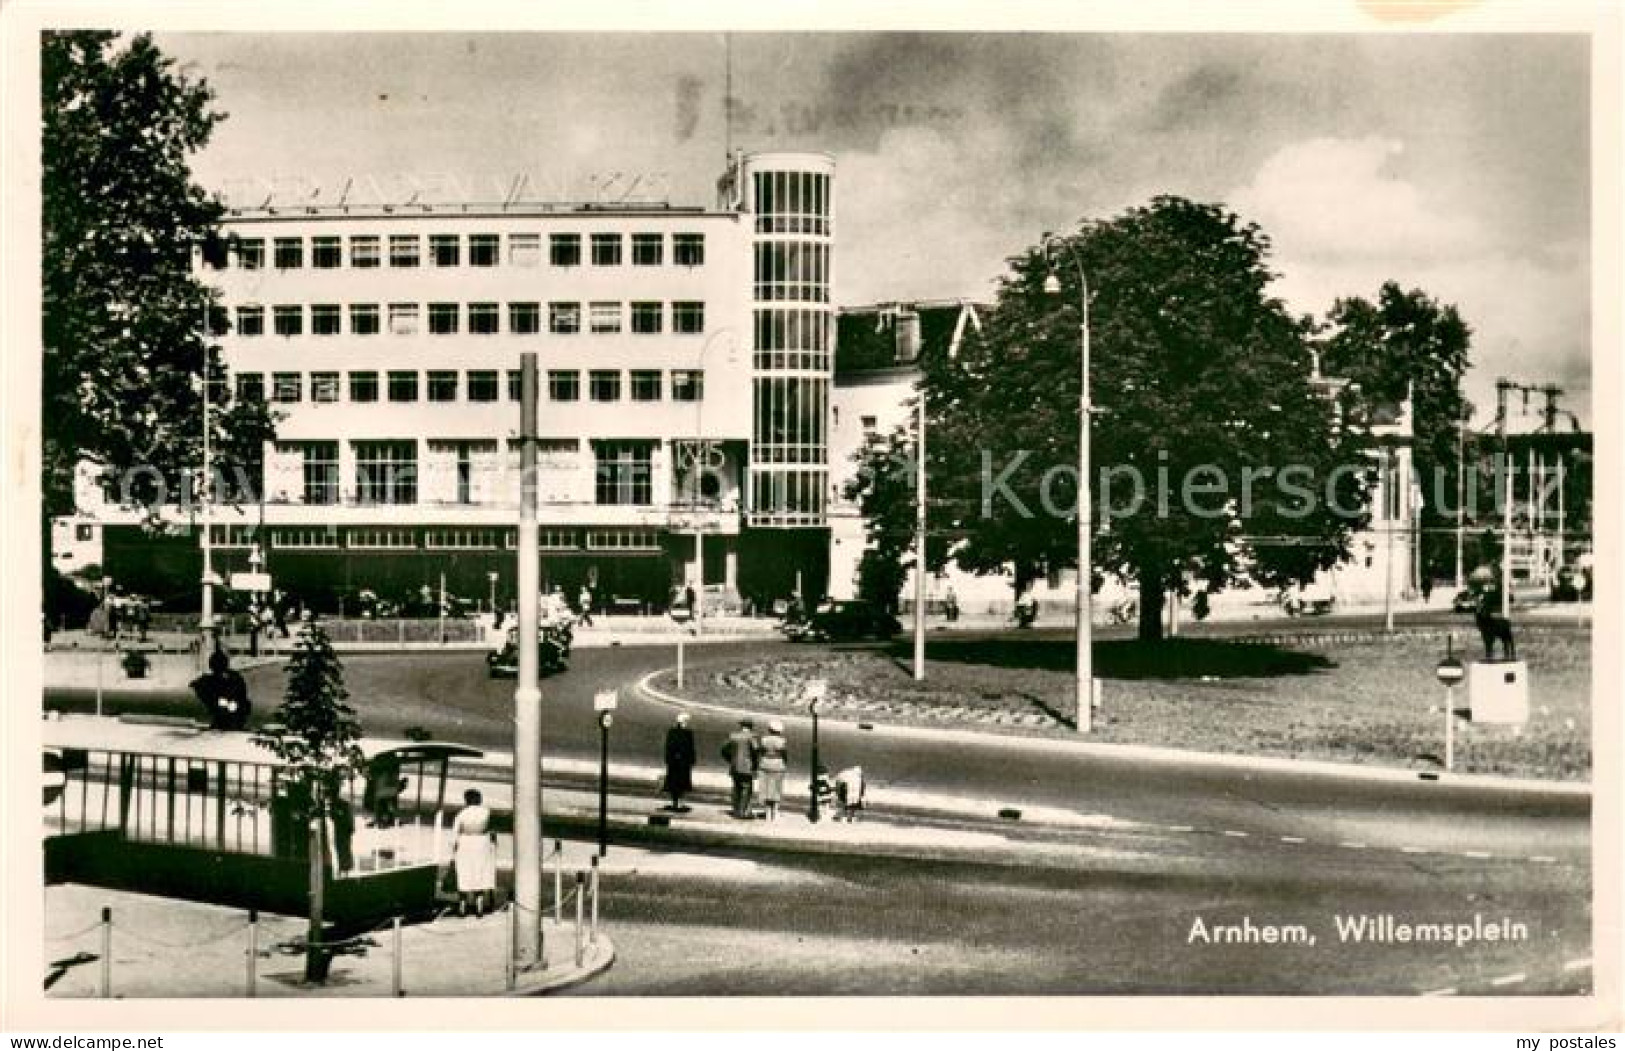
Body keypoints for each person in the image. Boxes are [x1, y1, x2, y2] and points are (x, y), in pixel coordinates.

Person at [451, 789, 497, 917]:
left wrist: (453, 849)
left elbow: (455, 834)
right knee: (480, 873)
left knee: (464, 874)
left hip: (465, 843)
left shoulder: (461, 814)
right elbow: (492, 829)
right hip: (482, 842)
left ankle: (462, 908)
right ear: (479, 799)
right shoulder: (486, 812)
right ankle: (479, 907)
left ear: (466, 800)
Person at [721, 718, 761, 819]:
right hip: (747, 767)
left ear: (741, 726)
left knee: (736, 788)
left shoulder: (733, 736)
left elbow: (724, 750)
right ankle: (743, 812)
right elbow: (756, 751)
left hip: (734, 766)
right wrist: (756, 766)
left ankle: (736, 810)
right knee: (746, 789)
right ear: (750, 727)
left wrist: (731, 760)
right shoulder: (752, 737)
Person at [662, 712, 697, 812]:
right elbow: (690, 748)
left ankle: (676, 802)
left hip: (676, 762)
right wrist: (692, 760)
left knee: (676, 783)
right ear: (683, 721)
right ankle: (678, 803)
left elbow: (668, 747)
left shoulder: (672, 732)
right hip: (682, 763)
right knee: (680, 783)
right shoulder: (687, 733)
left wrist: (668, 759)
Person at [756, 719, 789, 821]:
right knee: (776, 789)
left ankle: (767, 813)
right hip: (778, 764)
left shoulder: (763, 739)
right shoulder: (782, 741)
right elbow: (784, 754)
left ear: (770, 729)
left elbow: (760, 752)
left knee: (765, 789)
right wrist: (785, 763)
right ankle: (775, 813)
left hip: (765, 763)